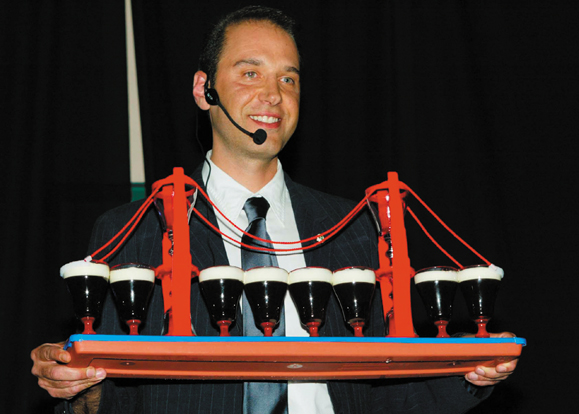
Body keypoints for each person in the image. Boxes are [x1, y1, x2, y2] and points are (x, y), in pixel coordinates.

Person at [31, 6, 518, 414]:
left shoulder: (356, 230)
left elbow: (393, 395)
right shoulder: (131, 231)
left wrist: (474, 373)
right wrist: (79, 386)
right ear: (204, 90)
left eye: (289, 77)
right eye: (250, 73)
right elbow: (106, 397)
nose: (274, 94)